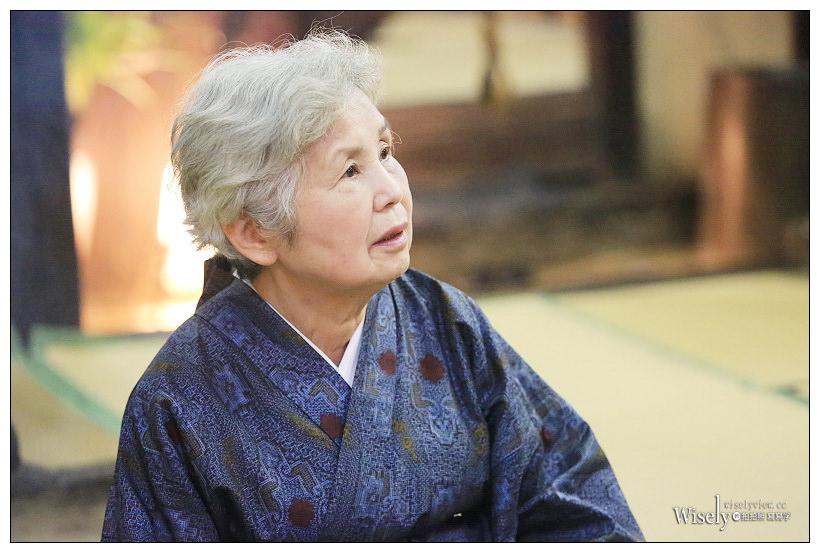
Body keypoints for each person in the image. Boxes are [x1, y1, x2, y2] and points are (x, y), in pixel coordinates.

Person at [101, 29, 643, 542]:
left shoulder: (446, 321)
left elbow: (567, 481)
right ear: (255, 232)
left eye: (384, 152)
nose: (392, 190)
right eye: (350, 172)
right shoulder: (179, 399)